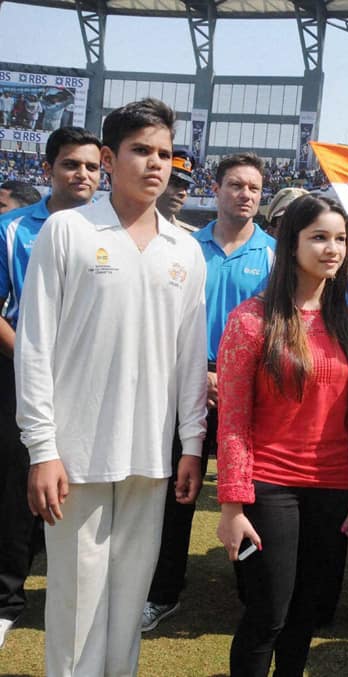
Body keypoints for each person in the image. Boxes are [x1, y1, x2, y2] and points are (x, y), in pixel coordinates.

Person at [15, 98, 207, 676]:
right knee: (76, 605)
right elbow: (35, 345)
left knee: (128, 604)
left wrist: (192, 444)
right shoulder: (67, 230)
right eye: (141, 151)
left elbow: (189, 357)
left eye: (164, 154)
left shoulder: (186, 249)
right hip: (76, 454)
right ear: (108, 157)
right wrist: (43, 449)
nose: (156, 164)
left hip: (150, 455)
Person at [215, 194, 348, 676]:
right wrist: (232, 506)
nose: (333, 248)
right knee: (268, 615)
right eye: (319, 237)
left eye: (341, 238)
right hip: (269, 487)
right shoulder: (250, 320)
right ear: (291, 243)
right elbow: (234, 420)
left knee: (307, 616)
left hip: (333, 488)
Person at [142, 152, 276, 632]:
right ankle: (162, 591)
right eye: (236, 185)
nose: (244, 195)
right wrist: (199, 370)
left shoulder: (275, 254)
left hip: (252, 388)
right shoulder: (182, 246)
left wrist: (237, 375)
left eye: (254, 189)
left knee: (249, 492)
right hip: (186, 380)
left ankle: (251, 591)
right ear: (215, 189)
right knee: (179, 490)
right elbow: (162, 317)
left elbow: (279, 328)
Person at [0, 126, 102, 650]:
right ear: (48, 171)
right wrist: (33, 361)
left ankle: (69, 590)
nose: (81, 175)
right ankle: (6, 600)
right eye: (69, 165)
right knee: (21, 486)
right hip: (20, 374)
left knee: (80, 481)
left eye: (89, 166)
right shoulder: (13, 228)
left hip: (89, 380)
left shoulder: (107, 230)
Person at [155, 150, 197, 232]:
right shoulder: (127, 229)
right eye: (176, 184)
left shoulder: (189, 237)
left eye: (186, 187)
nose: (183, 193)